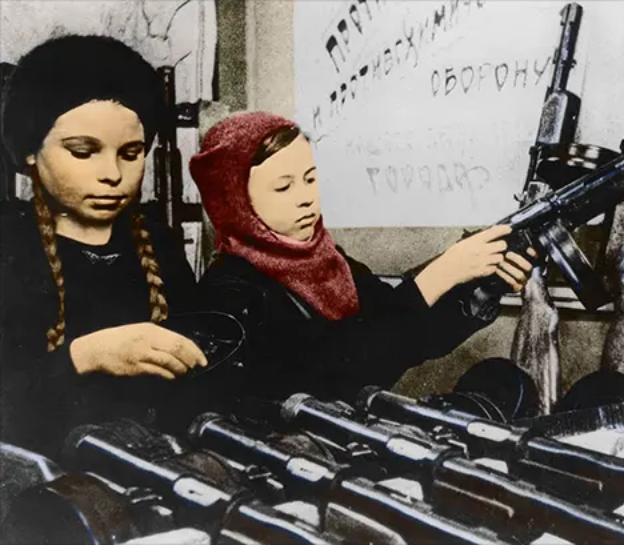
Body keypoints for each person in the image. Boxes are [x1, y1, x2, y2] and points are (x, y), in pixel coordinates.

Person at [190, 112, 537, 404]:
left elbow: (407, 337)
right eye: (284, 186)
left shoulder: (330, 262)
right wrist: (441, 274)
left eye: (310, 179)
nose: (306, 198)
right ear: (236, 201)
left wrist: (479, 290)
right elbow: (336, 373)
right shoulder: (230, 292)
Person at [0, 35, 208, 459]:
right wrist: (86, 356)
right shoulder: (10, 246)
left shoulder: (158, 243)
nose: (112, 174)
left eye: (130, 153)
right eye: (84, 152)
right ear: (30, 153)